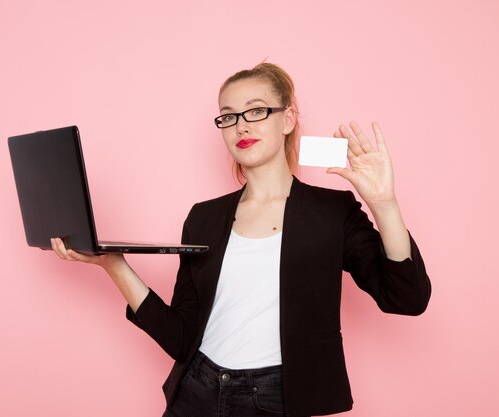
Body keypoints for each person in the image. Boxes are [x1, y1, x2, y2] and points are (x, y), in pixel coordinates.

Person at [50, 62, 431, 417]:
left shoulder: (331, 211)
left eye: (256, 111)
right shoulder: (204, 217)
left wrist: (385, 205)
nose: (241, 126)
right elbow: (181, 339)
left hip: (278, 398)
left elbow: (406, 298)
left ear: (288, 119)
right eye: (229, 116)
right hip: (196, 391)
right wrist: (113, 265)